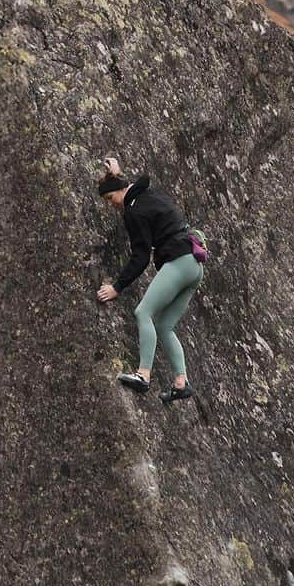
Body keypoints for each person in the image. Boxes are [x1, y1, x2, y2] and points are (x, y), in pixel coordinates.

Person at [96, 156, 202, 403]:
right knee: (165, 326)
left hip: (178, 261)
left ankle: (143, 375)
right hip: (195, 266)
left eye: (110, 199)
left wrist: (117, 287)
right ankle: (180, 382)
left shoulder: (133, 211)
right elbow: (138, 184)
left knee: (143, 312)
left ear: (120, 191)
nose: (111, 205)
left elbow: (141, 256)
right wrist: (117, 175)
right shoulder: (145, 195)